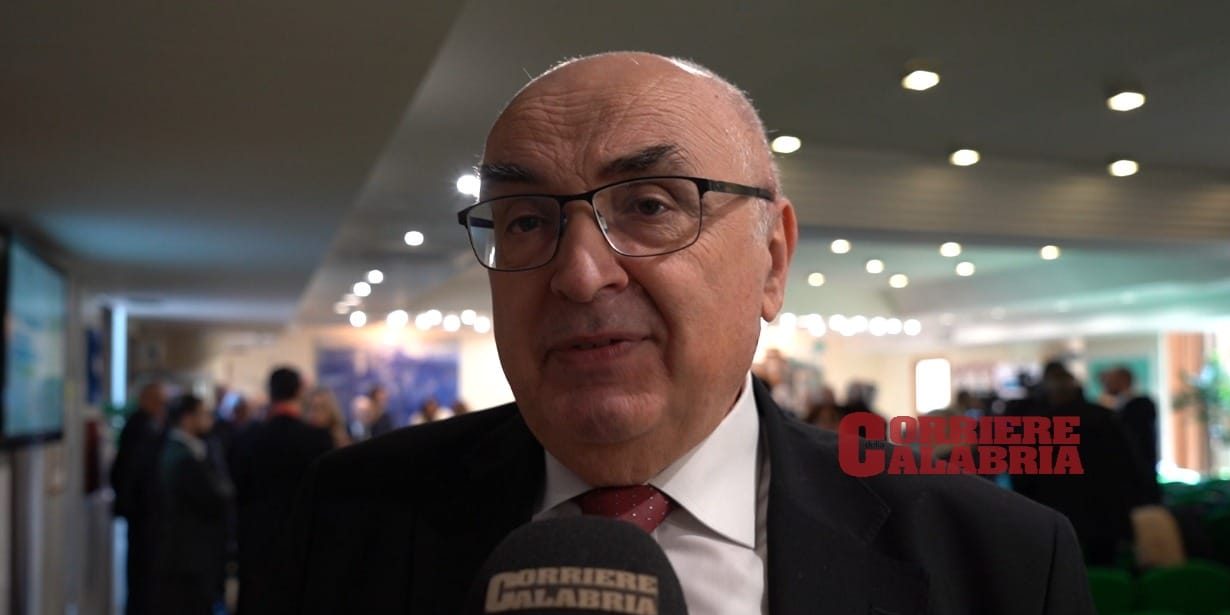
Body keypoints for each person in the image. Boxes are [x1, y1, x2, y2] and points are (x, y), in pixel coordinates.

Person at [269, 52, 1093, 614]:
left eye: (650, 204)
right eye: (525, 219)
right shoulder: (352, 514)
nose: (581, 274)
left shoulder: (1000, 558)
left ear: (772, 261)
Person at [1012, 362, 1151, 566]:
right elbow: (1129, 468)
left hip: (1055, 519)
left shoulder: (1038, 426)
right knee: (1105, 575)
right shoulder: (1105, 418)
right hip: (1105, 517)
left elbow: (1023, 481)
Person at [232, 367, 333, 615]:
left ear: (270, 392)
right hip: (302, 541)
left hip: (256, 538)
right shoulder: (317, 438)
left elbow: (238, 487)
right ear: (299, 391)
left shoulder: (248, 437)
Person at [153, 393, 233, 615]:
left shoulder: (186, 450)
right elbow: (214, 498)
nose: (209, 420)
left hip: (185, 551)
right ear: (187, 418)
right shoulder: (184, 456)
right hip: (189, 554)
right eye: (204, 414)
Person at [110, 381, 167, 615]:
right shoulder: (140, 427)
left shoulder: (146, 426)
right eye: (159, 401)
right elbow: (132, 471)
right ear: (146, 400)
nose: (162, 407)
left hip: (142, 510)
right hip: (143, 511)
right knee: (142, 566)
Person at [1100, 366, 1161, 502]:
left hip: (1139, 478)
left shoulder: (1140, 405)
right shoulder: (1124, 407)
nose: (1105, 384)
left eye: (1110, 380)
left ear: (1123, 381)